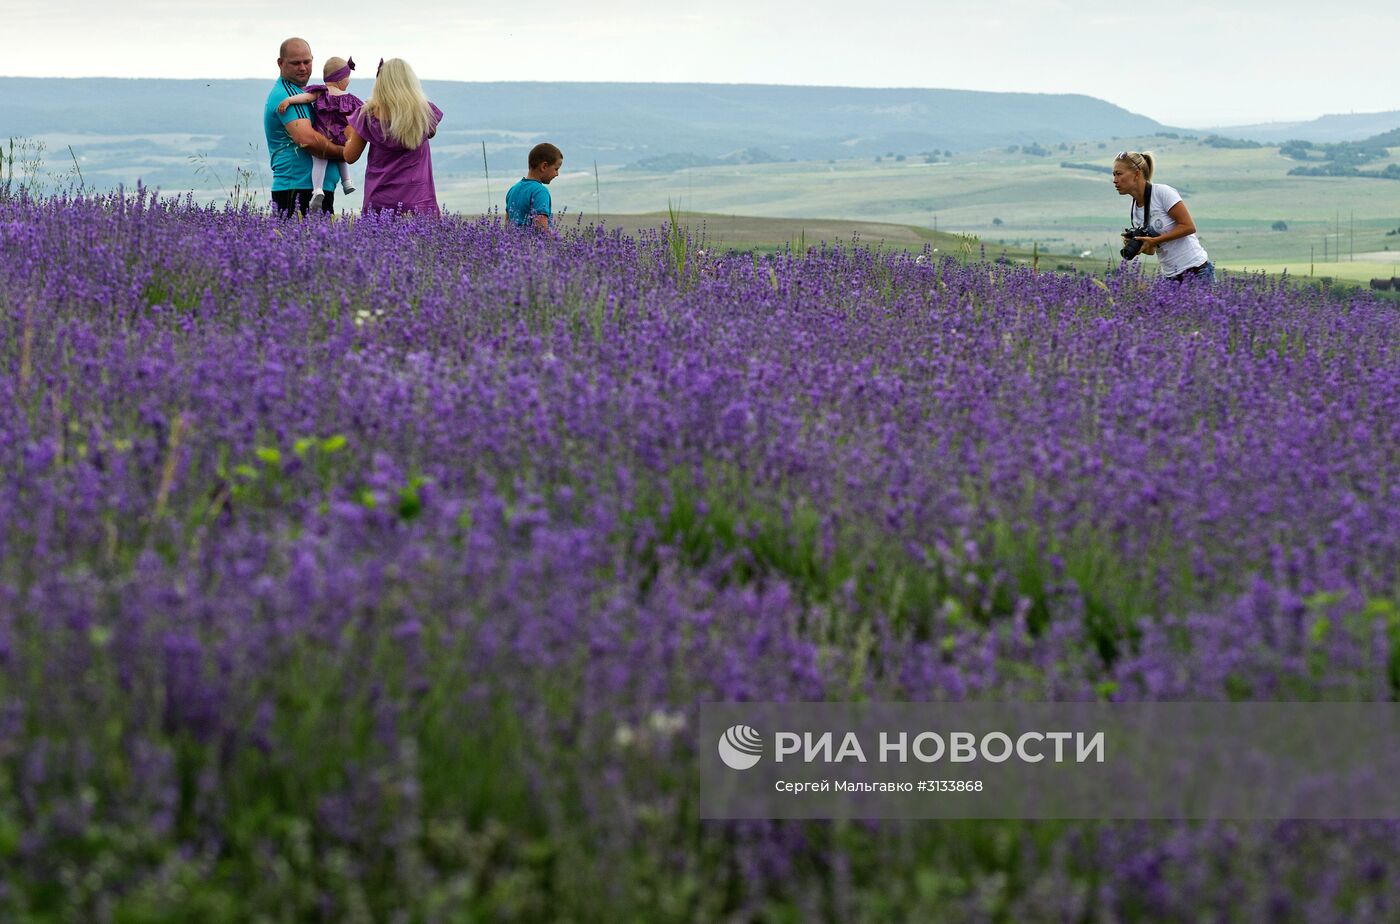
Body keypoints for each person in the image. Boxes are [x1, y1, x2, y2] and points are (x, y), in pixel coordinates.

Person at [342, 58, 443, 216]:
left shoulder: (367, 116)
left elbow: (350, 156)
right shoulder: (424, 113)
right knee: (424, 241)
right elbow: (431, 132)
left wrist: (350, 135)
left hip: (380, 201)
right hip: (419, 201)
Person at [263, 37, 344, 216]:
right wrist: (344, 152)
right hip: (299, 188)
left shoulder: (302, 94)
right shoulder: (288, 95)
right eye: (295, 63)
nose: (302, 68)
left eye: (307, 62)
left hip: (311, 189)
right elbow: (308, 140)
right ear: (280, 63)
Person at [1112, 150, 1214, 283]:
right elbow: (1152, 251)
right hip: (1170, 277)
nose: (1114, 180)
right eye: (1113, 175)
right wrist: (1139, 245)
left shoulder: (1162, 193)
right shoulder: (1135, 210)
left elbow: (1188, 227)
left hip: (1196, 271)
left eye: (1119, 174)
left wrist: (1155, 240)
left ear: (1137, 173)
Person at [276, 56, 363, 210]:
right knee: (343, 156)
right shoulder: (350, 99)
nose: (348, 81)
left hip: (324, 133)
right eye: (347, 78)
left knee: (319, 160)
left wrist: (289, 100)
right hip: (342, 136)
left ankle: (317, 189)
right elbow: (363, 112)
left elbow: (305, 98)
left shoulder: (321, 92)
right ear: (341, 79)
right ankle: (347, 182)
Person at [506, 143, 563, 232]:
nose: (557, 174)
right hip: (533, 244)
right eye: (556, 169)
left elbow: (508, 224)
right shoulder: (540, 192)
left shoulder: (513, 189)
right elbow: (541, 226)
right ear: (544, 166)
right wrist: (555, 242)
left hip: (513, 243)